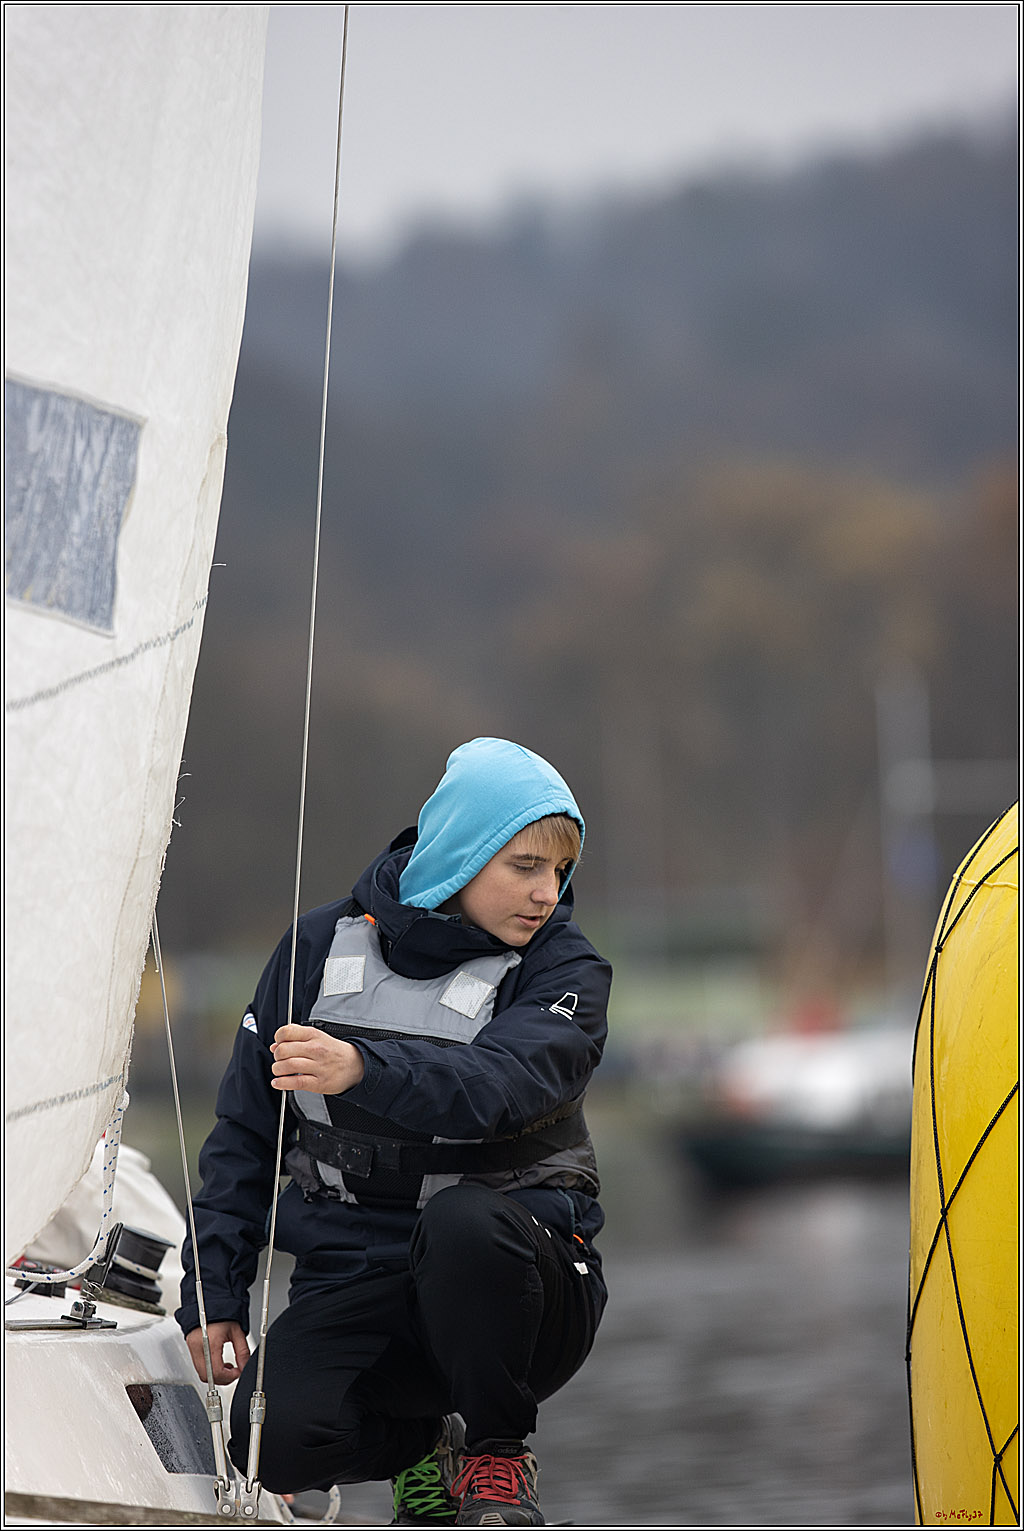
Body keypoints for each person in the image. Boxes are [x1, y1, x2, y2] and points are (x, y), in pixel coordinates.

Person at [176, 738, 611, 1526]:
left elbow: (504, 1087)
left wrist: (362, 1068)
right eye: (525, 866)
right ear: (459, 853)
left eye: (560, 871)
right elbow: (246, 1129)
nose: (547, 893)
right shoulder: (312, 949)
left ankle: (496, 1453)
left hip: (527, 1296)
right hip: (358, 1278)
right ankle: (427, 1447)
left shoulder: (566, 970)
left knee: (465, 1222)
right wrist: (214, 1291)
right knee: (270, 1440)